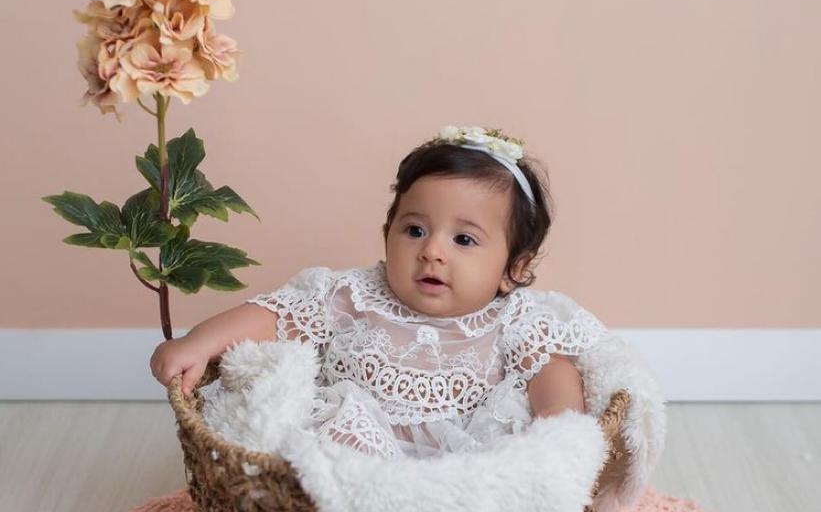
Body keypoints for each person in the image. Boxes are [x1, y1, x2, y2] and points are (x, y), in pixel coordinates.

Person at [150, 125, 609, 458]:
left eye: (463, 240)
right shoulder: (353, 295)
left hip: (461, 470)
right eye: (414, 230)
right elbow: (274, 315)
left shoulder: (518, 321)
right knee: (323, 431)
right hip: (353, 461)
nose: (432, 251)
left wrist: (559, 439)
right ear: (387, 233)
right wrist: (198, 342)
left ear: (513, 269)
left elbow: (552, 376)